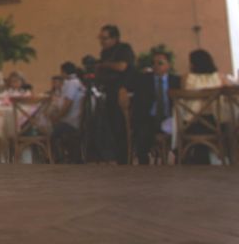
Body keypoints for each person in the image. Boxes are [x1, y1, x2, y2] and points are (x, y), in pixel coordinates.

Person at [95, 24, 135, 164]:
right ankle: (115, 156)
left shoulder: (124, 49)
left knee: (120, 126)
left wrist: (102, 65)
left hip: (122, 91)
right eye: (101, 38)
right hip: (108, 92)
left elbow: (122, 66)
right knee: (111, 126)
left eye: (104, 38)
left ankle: (124, 158)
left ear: (114, 38)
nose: (102, 41)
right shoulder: (104, 53)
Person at [132, 51, 180, 165]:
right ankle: (144, 166)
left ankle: (181, 162)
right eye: (153, 63)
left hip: (170, 119)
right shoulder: (144, 79)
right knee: (142, 133)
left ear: (168, 65)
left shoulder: (176, 81)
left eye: (160, 63)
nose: (156, 66)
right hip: (150, 119)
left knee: (180, 131)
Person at [181, 49, 224, 164]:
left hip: (192, 124)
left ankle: (195, 158)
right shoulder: (218, 77)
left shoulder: (188, 78)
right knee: (226, 124)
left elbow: (183, 101)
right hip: (215, 123)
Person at [48, 63, 86, 163]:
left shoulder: (71, 83)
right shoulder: (79, 82)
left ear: (64, 72)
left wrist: (57, 117)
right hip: (77, 120)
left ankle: (59, 159)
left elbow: (67, 104)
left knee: (51, 133)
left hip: (71, 121)